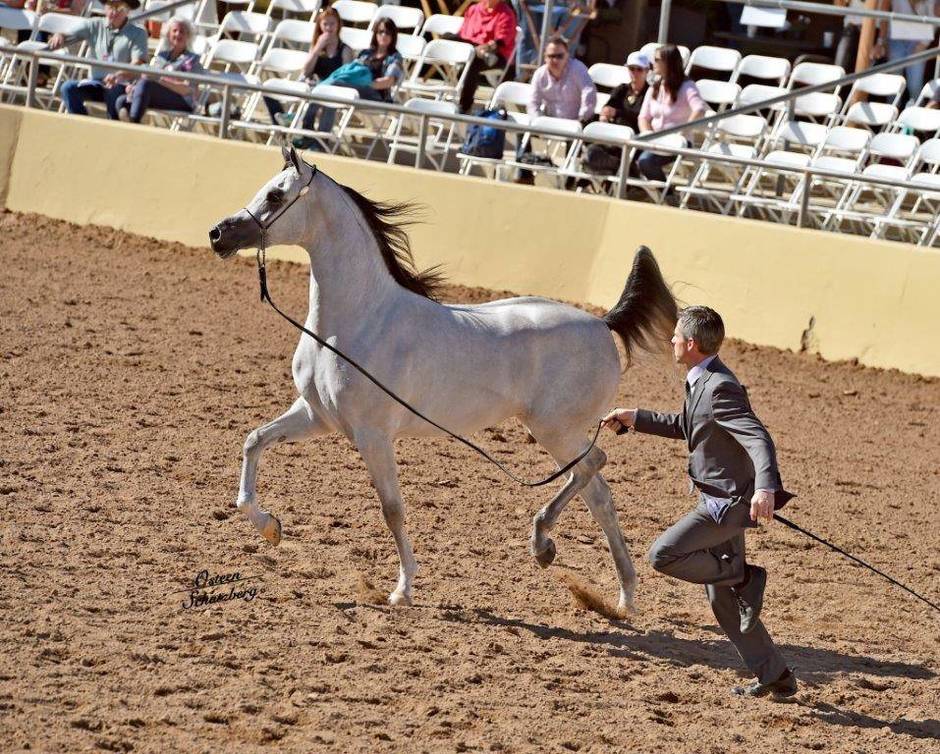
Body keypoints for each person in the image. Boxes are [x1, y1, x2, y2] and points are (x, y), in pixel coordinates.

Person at [602, 306, 797, 700]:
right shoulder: (703, 379)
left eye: (676, 335)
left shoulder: (721, 386)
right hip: (719, 500)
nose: (671, 340)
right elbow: (689, 425)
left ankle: (744, 577)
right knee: (721, 599)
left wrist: (765, 489)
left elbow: (758, 438)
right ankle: (775, 675)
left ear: (690, 344)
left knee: (663, 554)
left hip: (726, 505)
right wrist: (636, 417)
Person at [515, 35, 596, 184]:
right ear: (545, 57)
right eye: (551, 56)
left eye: (559, 56)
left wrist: (581, 118)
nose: (555, 60)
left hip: (575, 122)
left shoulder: (578, 69)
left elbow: (589, 93)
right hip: (549, 122)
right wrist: (537, 120)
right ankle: (525, 175)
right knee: (522, 130)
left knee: (578, 134)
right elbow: (532, 102)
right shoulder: (540, 74)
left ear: (567, 56)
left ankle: (569, 181)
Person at [48, 0, 148, 119]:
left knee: (114, 92)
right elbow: (68, 33)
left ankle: (113, 127)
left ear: (128, 10)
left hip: (122, 85)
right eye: (111, 6)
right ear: (105, 8)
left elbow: (137, 63)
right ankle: (81, 125)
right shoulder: (95, 24)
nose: (114, 12)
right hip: (95, 83)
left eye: (119, 8)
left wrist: (118, 75)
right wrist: (59, 34)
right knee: (67, 87)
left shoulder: (138, 33)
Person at [263, 7, 353, 137]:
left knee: (319, 93)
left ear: (338, 25)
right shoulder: (317, 46)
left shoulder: (345, 50)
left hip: (332, 89)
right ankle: (282, 129)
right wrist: (317, 49)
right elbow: (306, 72)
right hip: (313, 86)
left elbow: (345, 76)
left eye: (332, 23)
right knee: (268, 89)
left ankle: (301, 124)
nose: (329, 28)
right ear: (320, 25)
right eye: (325, 24)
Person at [636, 44, 706, 204]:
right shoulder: (655, 87)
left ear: (668, 62)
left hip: (679, 142)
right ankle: (636, 191)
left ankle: (668, 196)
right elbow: (643, 117)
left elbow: (699, 109)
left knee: (645, 161)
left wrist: (682, 132)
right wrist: (647, 134)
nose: (653, 63)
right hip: (655, 140)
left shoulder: (686, 86)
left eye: (657, 60)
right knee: (624, 155)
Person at [114, 16, 203, 124]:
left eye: (182, 32)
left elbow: (187, 89)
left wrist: (160, 80)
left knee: (146, 84)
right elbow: (148, 77)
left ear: (188, 36)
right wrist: (134, 87)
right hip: (160, 96)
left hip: (183, 100)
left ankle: (134, 124)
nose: (178, 34)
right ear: (168, 34)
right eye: (175, 31)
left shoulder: (192, 60)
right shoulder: (161, 57)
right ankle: (128, 126)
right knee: (121, 101)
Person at [439, 0, 517, 113]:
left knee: (473, 62)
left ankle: (465, 106)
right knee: (447, 36)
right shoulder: (473, 9)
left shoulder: (506, 14)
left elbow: (501, 42)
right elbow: (462, 33)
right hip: (470, 48)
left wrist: (485, 48)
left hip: (495, 55)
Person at [874, 0, 939, 106]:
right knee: (893, 83)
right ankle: (891, 112)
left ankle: (916, 112)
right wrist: (881, 41)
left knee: (915, 84)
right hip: (896, 39)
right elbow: (884, 11)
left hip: (919, 40)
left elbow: (936, 12)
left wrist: (924, 42)